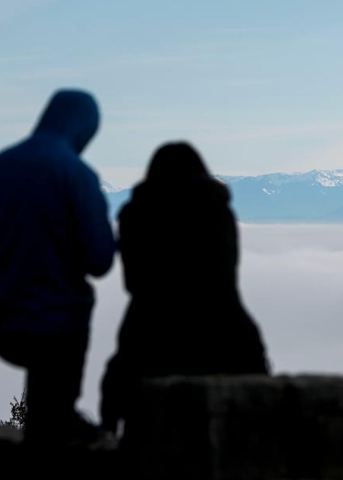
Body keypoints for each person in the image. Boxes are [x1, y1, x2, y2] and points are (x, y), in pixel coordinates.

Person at [0, 89, 116, 447]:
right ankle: (58, 419)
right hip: (59, 326)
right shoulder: (78, 176)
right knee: (52, 412)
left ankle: (51, 419)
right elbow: (100, 261)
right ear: (84, 130)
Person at [99, 142, 269, 438]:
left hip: (149, 331)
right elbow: (226, 274)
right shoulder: (219, 211)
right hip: (225, 328)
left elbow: (133, 282)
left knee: (122, 389)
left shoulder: (134, 214)